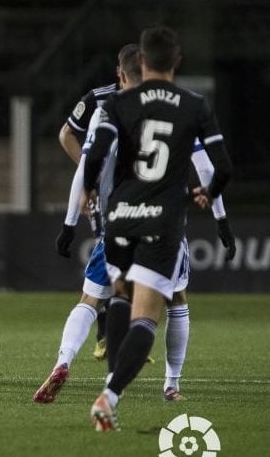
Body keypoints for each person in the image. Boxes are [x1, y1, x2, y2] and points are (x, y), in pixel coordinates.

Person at [34, 45, 237, 404]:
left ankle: (63, 361)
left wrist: (68, 224)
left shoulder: (111, 108)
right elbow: (209, 170)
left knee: (92, 298)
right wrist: (220, 218)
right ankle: (170, 384)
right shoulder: (184, 107)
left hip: (120, 220)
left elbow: (86, 165)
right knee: (174, 300)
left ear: (123, 75)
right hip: (165, 223)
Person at [83, 26, 232, 432]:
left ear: (141, 63)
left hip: (121, 215)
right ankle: (110, 395)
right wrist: (208, 194)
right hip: (162, 220)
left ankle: (113, 384)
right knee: (147, 316)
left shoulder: (119, 102)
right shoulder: (195, 105)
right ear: (176, 63)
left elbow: (95, 154)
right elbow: (223, 167)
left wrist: (89, 191)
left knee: (118, 296)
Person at [58, 63, 120, 360]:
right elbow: (66, 134)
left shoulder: (154, 101)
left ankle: (116, 334)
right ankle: (108, 335)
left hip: (132, 196)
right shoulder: (99, 99)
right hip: (109, 197)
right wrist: (91, 175)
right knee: (109, 258)